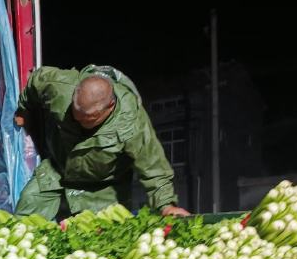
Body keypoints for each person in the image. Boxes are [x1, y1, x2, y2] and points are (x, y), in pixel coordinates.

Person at [14, 63, 190, 221]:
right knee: (22, 222)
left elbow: (153, 166)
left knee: (100, 243)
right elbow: (35, 81)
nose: (80, 122)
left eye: (88, 119)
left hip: (104, 188)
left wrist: (166, 205)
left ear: (110, 106)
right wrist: (24, 109)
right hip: (58, 170)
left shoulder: (131, 121)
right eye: (76, 115)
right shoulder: (60, 86)